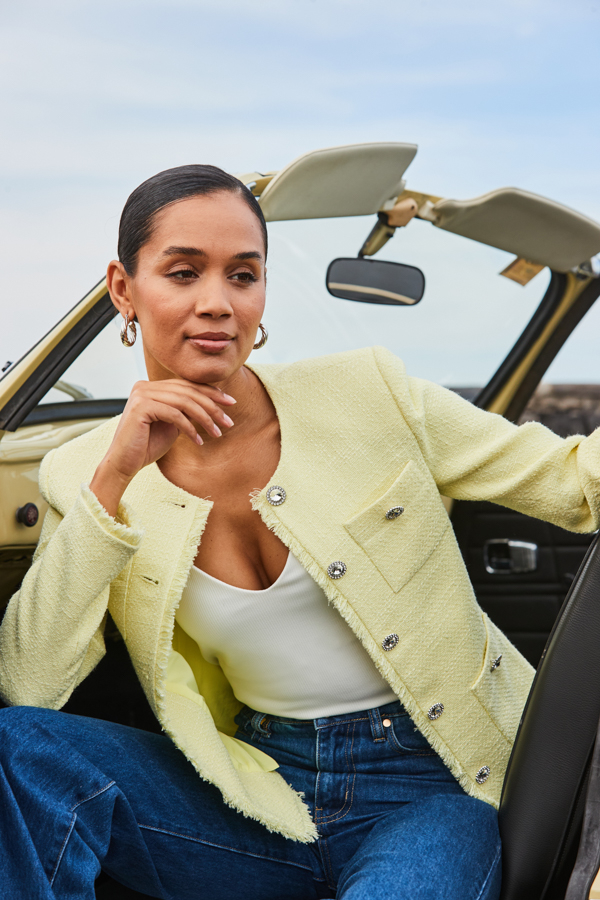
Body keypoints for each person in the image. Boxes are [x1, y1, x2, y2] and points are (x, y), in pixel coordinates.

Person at [1, 164, 599, 900]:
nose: (217, 303)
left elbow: (575, 482)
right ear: (124, 289)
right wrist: (115, 478)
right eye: (183, 273)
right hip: (262, 794)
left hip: (434, 789)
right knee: (22, 749)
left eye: (243, 275)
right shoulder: (83, 472)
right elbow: (28, 683)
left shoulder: (367, 391)